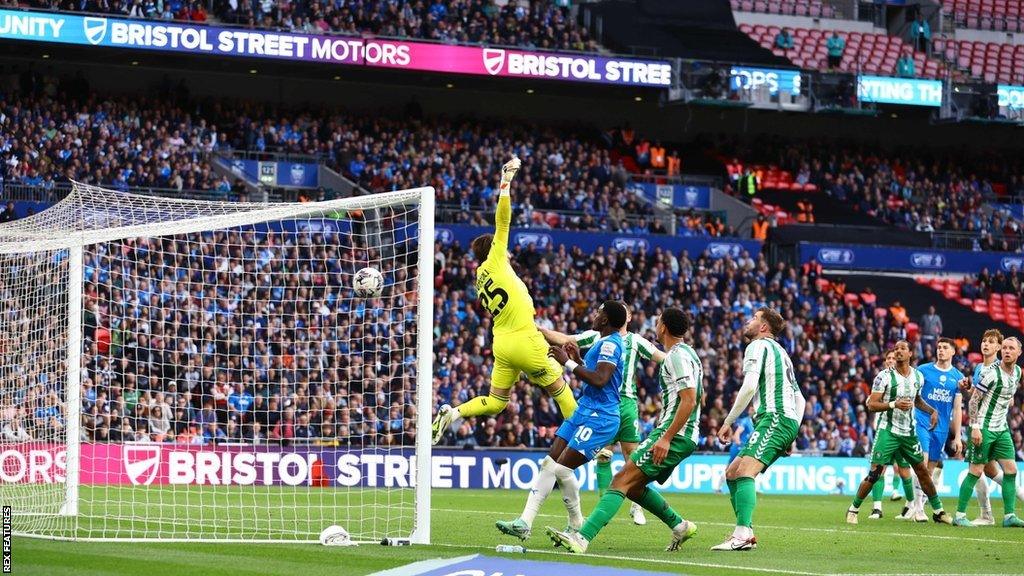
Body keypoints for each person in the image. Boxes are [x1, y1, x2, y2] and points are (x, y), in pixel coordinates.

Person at [432, 157, 576, 444]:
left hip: (502, 344)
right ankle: (592, 445)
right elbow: (503, 220)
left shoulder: (479, 276)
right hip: (524, 338)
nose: (508, 252)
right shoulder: (495, 260)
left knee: (496, 402)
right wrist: (506, 183)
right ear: (494, 250)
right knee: (561, 388)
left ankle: (454, 413)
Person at [545, 308, 701, 553]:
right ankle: (679, 525)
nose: (656, 324)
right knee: (634, 487)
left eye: (658, 321)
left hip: (674, 435)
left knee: (620, 480)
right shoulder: (689, 354)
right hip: (679, 433)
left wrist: (667, 438)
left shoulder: (676, 356)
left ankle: (581, 537)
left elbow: (690, 400)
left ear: (663, 328)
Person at [494, 301, 627, 541]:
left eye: (599, 312)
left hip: (602, 416)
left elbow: (600, 380)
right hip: (585, 409)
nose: (595, 315)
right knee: (549, 462)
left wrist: (568, 362)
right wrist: (579, 361)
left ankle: (576, 523)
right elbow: (595, 376)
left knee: (562, 469)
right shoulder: (602, 341)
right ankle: (524, 522)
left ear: (606, 320)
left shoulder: (611, 344)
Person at [540, 303, 667, 526]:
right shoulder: (596, 336)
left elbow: (661, 358)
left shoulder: (636, 341)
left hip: (626, 403)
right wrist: (540, 330)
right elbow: (565, 338)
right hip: (601, 404)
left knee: (632, 457)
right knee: (603, 455)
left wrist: (682, 361)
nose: (598, 314)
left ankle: (637, 506)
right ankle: (603, 505)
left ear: (628, 316)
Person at [713, 307, 805, 551]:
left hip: (774, 418)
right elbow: (801, 399)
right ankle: (746, 532)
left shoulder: (757, 346)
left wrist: (728, 421)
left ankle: (742, 535)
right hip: (781, 420)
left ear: (764, 327)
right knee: (732, 473)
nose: (749, 321)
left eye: (754, 318)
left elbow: (749, 387)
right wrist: (794, 429)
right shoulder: (782, 353)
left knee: (744, 473)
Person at [845, 341, 952, 525]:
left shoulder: (918, 376)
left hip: (909, 433)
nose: (898, 352)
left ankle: (938, 511)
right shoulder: (884, 377)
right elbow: (871, 404)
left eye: (902, 349)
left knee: (922, 471)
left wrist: (932, 410)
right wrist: (894, 404)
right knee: (875, 473)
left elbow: (916, 399)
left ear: (910, 353)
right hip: (888, 431)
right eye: (896, 349)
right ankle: (853, 509)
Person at [953, 336, 1024, 528]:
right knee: (976, 471)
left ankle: (1009, 516)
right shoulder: (992, 374)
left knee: (1011, 470)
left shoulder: (1017, 372)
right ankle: (959, 515)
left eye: (1011, 348)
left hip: (1001, 429)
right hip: (983, 427)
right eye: (1005, 348)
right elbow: (975, 400)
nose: (1007, 351)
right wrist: (975, 427)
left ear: (1019, 352)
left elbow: (1007, 398)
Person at [904, 338, 963, 521]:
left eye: (945, 347)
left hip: (942, 429)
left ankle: (920, 505)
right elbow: (913, 396)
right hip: (922, 422)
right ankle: (919, 510)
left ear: (953, 351)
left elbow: (957, 408)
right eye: (939, 347)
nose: (941, 350)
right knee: (923, 462)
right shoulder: (923, 371)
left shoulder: (958, 377)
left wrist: (958, 437)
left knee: (929, 470)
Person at [867, 350, 915, 519]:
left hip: (902, 431)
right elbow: (870, 403)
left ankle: (911, 505)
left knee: (903, 470)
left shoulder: (907, 380)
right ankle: (877, 508)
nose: (890, 360)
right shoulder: (882, 380)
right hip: (884, 431)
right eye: (888, 358)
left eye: (893, 358)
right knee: (879, 469)